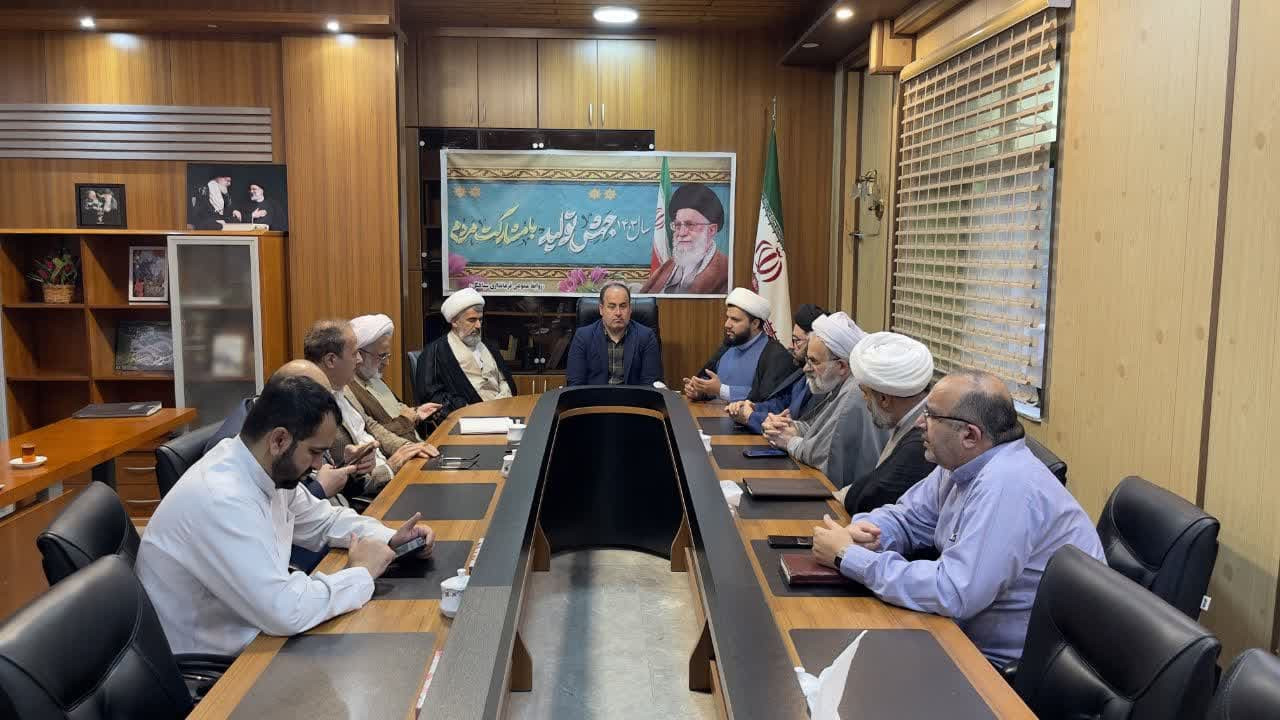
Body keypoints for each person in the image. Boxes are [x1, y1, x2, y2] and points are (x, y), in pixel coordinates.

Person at [811, 370, 1105, 667]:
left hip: (997, 669)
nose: (919, 422)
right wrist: (868, 532)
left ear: (969, 435)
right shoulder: (962, 463)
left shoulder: (1007, 484)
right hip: (955, 634)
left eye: (931, 415)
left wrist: (849, 557)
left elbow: (954, 591)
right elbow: (909, 517)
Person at [136, 374, 437, 656]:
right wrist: (361, 572)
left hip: (257, 630)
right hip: (223, 667)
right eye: (314, 452)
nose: (319, 466)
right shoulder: (220, 497)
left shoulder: (265, 467)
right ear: (279, 440)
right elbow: (285, 610)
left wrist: (390, 538)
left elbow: (324, 520)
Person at [304, 320, 436, 498]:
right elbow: (348, 484)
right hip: (374, 492)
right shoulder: (312, 407)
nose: (359, 360)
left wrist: (408, 447)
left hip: (391, 470)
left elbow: (371, 425)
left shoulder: (344, 387)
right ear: (331, 360)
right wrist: (390, 468)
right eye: (354, 354)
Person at [759, 312, 886, 480]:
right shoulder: (839, 384)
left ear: (841, 366)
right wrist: (788, 426)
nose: (806, 368)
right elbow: (820, 429)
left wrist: (789, 441)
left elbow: (823, 456)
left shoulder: (856, 392)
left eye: (814, 361)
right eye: (807, 360)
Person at [836, 331, 938, 514]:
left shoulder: (922, 438)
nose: (864, 399)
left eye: (865, 393)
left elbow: (871, 499)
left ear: (884, 399)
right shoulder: (909, 420)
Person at [347, 313, 442, 453]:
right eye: (381, 356)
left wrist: (417, 413)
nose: (386, 362)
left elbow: (396, 411)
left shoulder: (372, 375)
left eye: (387, 355)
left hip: (416, 446)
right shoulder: (349, 389)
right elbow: (370, 435)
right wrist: (406, 420)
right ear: (359, 354)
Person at [725, 303, 824, 433]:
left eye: (797, 340)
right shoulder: (802, 374)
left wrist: (751, 416)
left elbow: (797, 425)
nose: (790, 346)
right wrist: (752, 407)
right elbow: (781, 404)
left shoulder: (823, 381)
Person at [684, 287, 795, 404]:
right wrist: (700, 391)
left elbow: (767, 398)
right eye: (728, 318)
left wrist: (722, 390)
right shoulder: (728, 345)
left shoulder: (776, 355)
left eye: (735, 320)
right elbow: (710, 382)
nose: (727, 324)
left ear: (755, 324)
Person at [414, 287, 518, 411]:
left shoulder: (489, 346)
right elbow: (430, 395)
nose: (478, 325)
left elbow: (505, 379)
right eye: (472, 320)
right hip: (466, 417)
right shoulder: (435, 352)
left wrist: (505, 394)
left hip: (503, 410)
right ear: (454, 322)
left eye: (480, 319)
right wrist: (464, 406)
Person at [566, 282, 663, 386]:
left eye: (623, 306)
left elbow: (650, 382)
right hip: (594, 396)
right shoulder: (583, 337)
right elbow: (575, 382)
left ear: (630, 309)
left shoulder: (646, 337)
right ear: (601, 309)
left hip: (633, 396)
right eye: (612, 307)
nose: (618, 313)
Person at [639, 183, 729, 294]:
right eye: (677, 225)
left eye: (690, 225)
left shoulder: (726, 271)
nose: (681, 233)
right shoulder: (668, 266)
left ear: (711, 230)